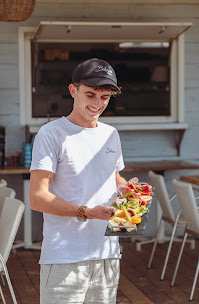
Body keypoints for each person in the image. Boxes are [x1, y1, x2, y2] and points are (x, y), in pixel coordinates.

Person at [29, 57, 127, 304]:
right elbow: (37, 197)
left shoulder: (110, 134)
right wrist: (86, 212)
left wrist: (130, 191)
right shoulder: (52, 134)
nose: (97, 103)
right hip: (65, 256)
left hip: (107, 254)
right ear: (73, 90)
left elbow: (113, 178)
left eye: (104, 97)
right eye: (90, 94)